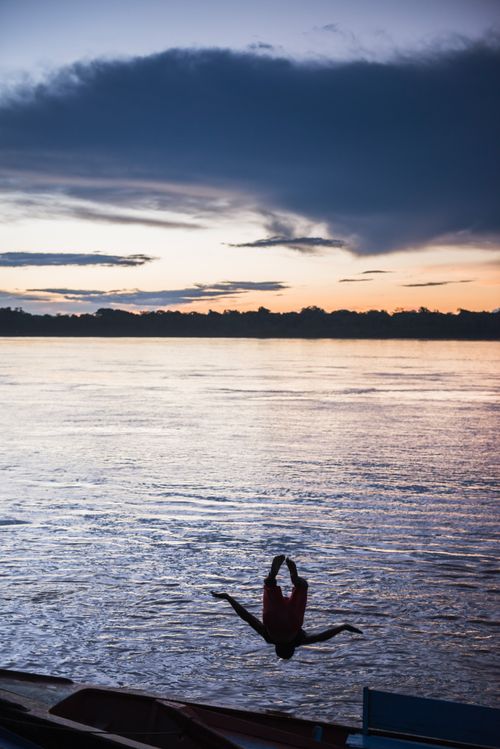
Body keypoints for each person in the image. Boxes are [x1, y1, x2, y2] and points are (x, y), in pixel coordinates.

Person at [211, 554, 362, 659]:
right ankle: (272, 577)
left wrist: (344, 627)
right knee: (269, 585)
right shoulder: (268, 637)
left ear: (292, 649)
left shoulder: (298, 641)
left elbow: (322, 637)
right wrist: (227, 597)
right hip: (272, 619)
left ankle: (295, 579)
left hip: (293, 620)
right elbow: (247, 618)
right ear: (276, 647)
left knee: (302, 587)